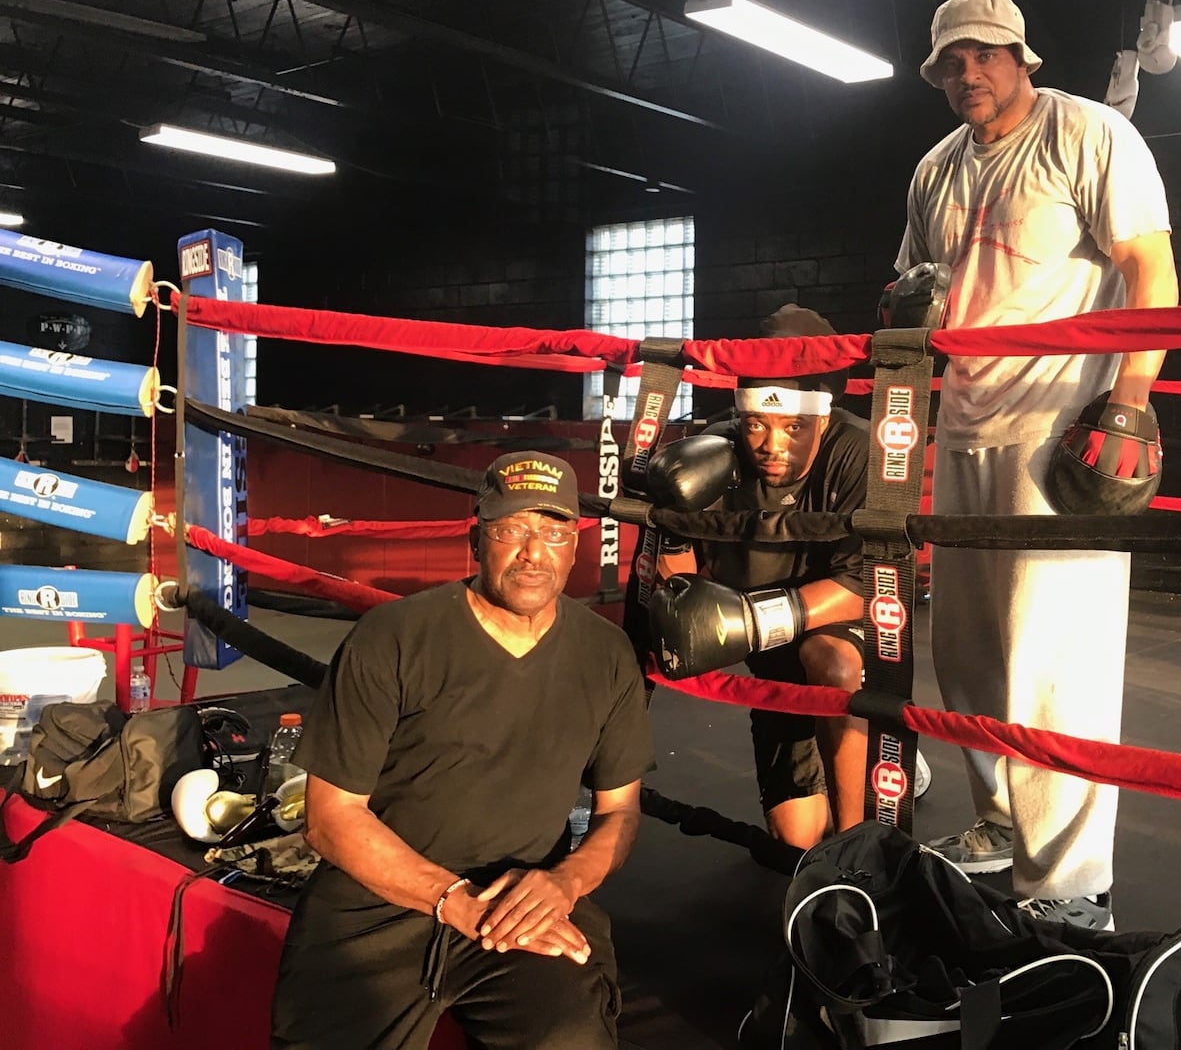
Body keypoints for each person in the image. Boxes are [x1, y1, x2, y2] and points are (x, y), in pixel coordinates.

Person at [895, 0, 1179, 930]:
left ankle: (1070, 885)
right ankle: (999, 823)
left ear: (1021, 55)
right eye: (950, 62)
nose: (966, 73)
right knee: (968, 653)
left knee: (1057, 667)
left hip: (1060, 429)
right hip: (965, 427)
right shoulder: (935, 170)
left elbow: (1152, 268)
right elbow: (910, 292)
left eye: (983, 55)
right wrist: (912, 313)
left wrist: (1130, 400)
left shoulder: (1089, 135)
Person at [271, 452, 654, 1050]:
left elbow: (619, 812)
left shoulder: (606, 655)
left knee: (571, 1037)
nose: (534, 552)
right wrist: (453, 901)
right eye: (512, 531)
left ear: (575, 546)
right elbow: (329, 818)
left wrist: (565, 882)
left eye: (553, 532)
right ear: (478, 541)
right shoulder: (393, 637)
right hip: (379, 903)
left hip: (522, 901)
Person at [649, 305, 873, 850]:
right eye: (757, 424)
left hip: (829, 627)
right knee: (795, 839)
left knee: (834, 664)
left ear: (821, 417)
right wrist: (675, 563)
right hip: (763, 648)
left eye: (794, 427)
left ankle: (856, 845)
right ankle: (837, 778)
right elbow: (678, 574)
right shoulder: (713, 454)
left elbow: (862, 585)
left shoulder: (856, 450)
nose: (773, 446)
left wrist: (750, 620)